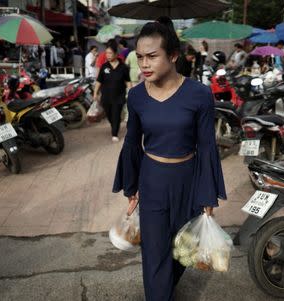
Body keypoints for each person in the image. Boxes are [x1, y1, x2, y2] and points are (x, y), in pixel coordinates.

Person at [112, 16, 227, 301]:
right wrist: (132, 186)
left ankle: (163, 288)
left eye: (152, 56)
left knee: (182, 251)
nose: (144, 64)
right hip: (151, 182)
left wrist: (207, 195)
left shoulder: (199, 95)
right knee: (154, 255)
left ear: (173, 55)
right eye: (140, 57)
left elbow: (207, 147)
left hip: (187, 182)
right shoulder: (136, 96)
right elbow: (131, 143)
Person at [93, 39, 132, 142]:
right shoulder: (104, 67)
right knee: (109, 114)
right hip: (106, 96)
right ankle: (113, 124)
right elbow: (99, 81)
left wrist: (131, 92)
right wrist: (95, 93)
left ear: (115, 53)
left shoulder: (123, 67)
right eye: (106, 53)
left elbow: (128, 81)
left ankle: (114, 133)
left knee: (116, 114)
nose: (107, 55)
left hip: (119, 96)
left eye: (110, 53)